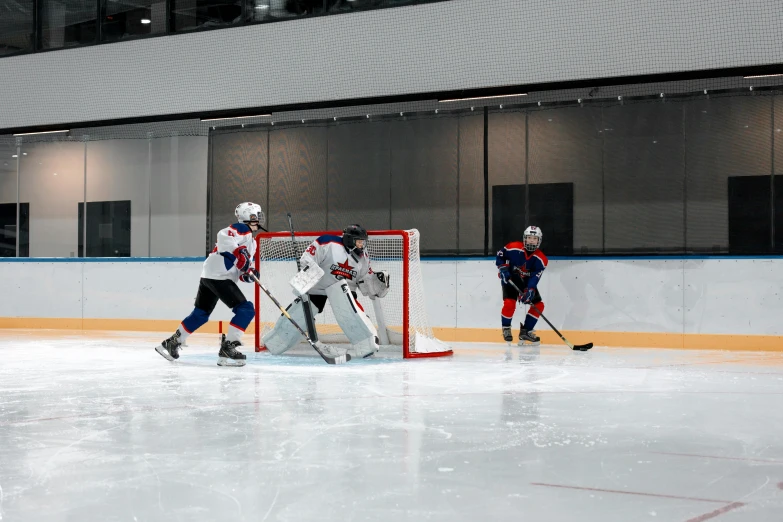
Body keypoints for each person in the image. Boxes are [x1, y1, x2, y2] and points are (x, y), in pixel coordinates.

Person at [156, 202, 263, 367]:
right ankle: (229, 348)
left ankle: (172, 343)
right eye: (257, 215)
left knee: (201, 313)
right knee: (246, 310)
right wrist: (238, 253)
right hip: (219, 275)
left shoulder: (252, 243)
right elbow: (223, 235)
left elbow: (241, 269)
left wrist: (248, 274)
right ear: (250, 217)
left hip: (210, 275)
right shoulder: (242, 229)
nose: (259, 219)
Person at [261, 224, 389, 359]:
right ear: (350, 240)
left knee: (352, 312)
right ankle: (276, 340)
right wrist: (307, 277)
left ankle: (366, 344)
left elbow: (365, 278)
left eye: (363, 242)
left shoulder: (363, 256)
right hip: (318, 287)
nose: (362, 245)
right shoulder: (328, 242)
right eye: (359, 242)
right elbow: (307, 259)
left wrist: (376, 283)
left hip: (345, 289)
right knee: (302, 313)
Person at [495, 226, 548, 346]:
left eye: (534, 238)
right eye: (529, 238)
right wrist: (503, 268)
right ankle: (506, 328)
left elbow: (535, 277)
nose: (531, 241)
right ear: (524, 238)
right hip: (510, 279)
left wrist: (529, 290)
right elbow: (500, 255)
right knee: (509, 303)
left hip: (526, 282)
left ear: (539, 240)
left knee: (538, 305)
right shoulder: (513, 247)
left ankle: (526, 331)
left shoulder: (541, 259)